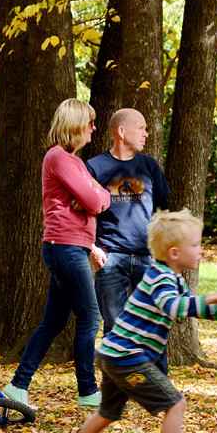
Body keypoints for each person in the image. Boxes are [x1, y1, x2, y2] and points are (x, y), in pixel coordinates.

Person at [51, 209, 217, 433]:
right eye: (195, 245)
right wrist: (212, 297)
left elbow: (187, 303)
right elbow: (173, 306)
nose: (200, 251)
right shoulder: (159, 277)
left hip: (115, 355)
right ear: (175, 253)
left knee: (107, 413)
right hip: (129, 358)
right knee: (175, 404)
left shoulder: (170, 277)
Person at [2, 99, 112, 409]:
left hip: (70, 246)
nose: (93, 127)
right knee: (90, 317)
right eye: (89, 122)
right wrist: (91, 197)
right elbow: (93, 200)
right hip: (64, 248)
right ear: (76, 124)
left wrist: (94, 196)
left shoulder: (74, 162)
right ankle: (88, 392)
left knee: (52, 321)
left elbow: (100, 197)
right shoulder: (58, 158)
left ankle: (17, 386)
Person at [86, 109, 171, 340]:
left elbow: (163, 211)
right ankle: (116, 377)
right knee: (115, 331)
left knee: (153, 328)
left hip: (147, 258)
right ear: (122, 131)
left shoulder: (150, 166)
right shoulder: (94, 167)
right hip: (111, 258)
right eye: (142, 128)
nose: (147, 133)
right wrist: (93, 249)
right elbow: (83, 214)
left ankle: (149, 376)